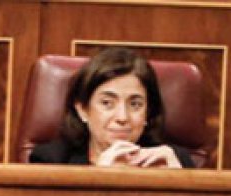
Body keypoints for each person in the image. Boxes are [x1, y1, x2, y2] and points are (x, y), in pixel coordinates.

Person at [30, 47, 195, 168]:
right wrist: (98, 177)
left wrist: (178, 183)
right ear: (82, 109)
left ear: (148, 112)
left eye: (135, 104)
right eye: (107, 103)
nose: (122, 117)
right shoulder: (51, 161)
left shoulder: (176, 160)